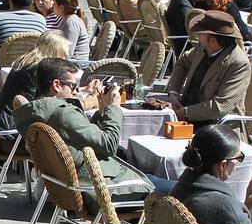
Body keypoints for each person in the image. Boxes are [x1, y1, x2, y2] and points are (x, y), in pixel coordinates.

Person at [14, 57, 161, 195]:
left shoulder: (40, 112)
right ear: (57, 85)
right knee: (167, 188)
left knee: (148, 173)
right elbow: (109, 145)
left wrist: (103, 109)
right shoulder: (62, 113)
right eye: (73, 86)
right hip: (102, 188)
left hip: (74, 185)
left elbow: (84, 138)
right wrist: (114, 108)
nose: (76, 91)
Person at [161, 10, 251, 139]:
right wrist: (174, 93)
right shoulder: (202, 48)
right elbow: (182, 62)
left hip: (218, 129)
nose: (198, 36)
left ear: (213, 41)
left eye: (201, 34)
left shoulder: (238, 63)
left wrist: (185, 112)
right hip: (186, 120)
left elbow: (221, 106)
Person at [0, 32, 72, 130]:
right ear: (55, 53)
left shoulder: (26, 61)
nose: (64, 60)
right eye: (63, 56)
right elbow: (41, 106)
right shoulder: (40, 70)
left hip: (0, 118)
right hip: (15, 127)